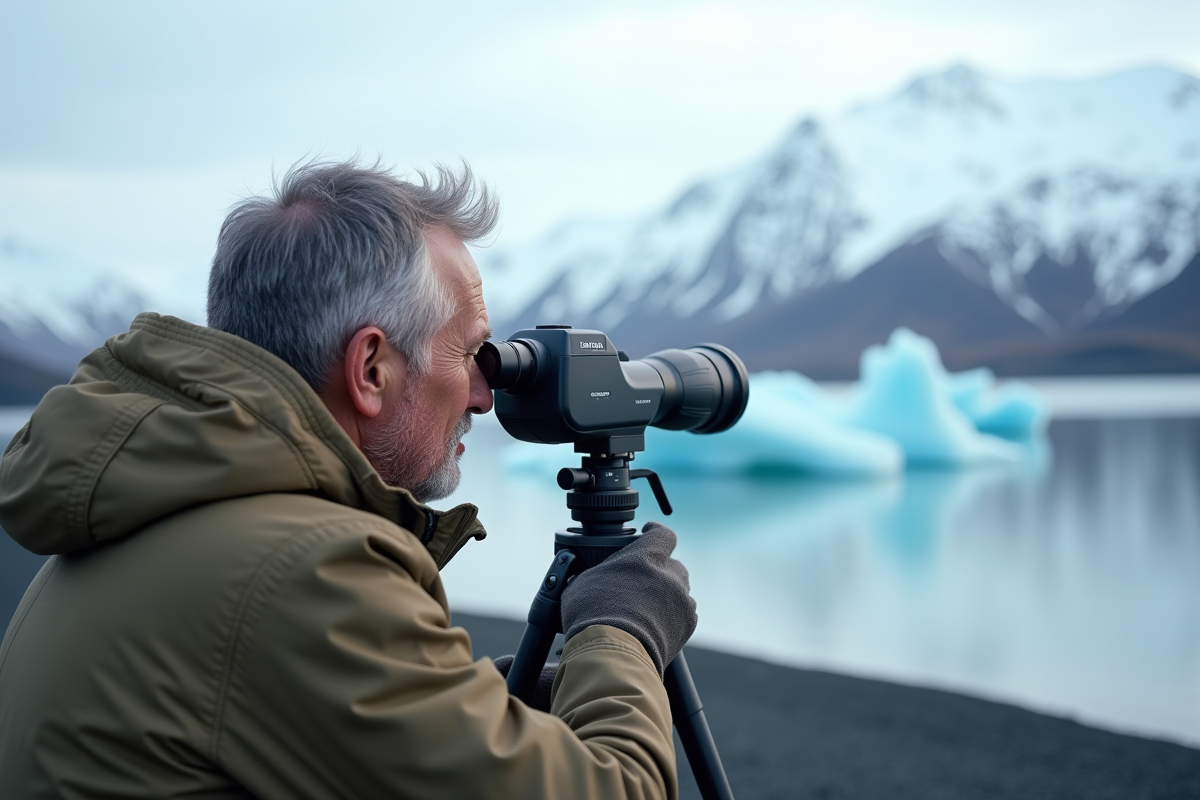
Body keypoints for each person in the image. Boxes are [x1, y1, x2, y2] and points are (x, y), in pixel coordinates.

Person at [0, 161, 697, 798]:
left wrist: (471, 702)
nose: (485, 394)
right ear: (370, 369)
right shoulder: (303, 568)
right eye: (468, 353)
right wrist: (620, 629)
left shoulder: (150, 500)